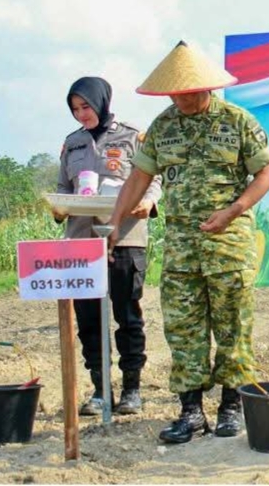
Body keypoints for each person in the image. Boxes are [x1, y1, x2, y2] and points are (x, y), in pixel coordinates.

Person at [108, 41, 269, 443]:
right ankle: (190, 411)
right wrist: (114, 225)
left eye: (188, 91)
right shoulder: (163, 127)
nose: (181, 98)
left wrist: (233, 211)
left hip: (229, 243)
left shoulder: (238, 121)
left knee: (233, 326)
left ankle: (231, 406)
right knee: (184, 328)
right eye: (174, 92)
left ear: (207, 87)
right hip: (182, 247)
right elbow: (138, 179)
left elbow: (266, 174)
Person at [53, 76, 162, 416]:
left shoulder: (132, 136)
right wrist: (58, 208)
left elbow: (153, 177)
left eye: (85, 106)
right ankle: (101, 390)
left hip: (126, 235)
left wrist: (149, 201)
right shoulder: (72, 144)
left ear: (102, 101)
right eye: (75, 109)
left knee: (127, 313)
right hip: (82, 241)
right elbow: (62, 186)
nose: (81, 114)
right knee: (87, 318)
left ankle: (131, 389)